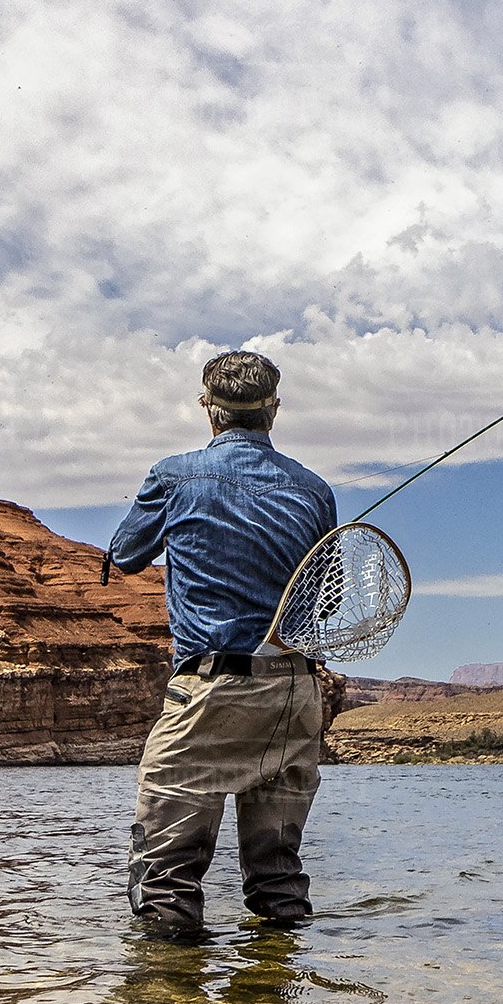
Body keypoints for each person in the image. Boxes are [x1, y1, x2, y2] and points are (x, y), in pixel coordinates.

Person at [108, 350, 338, 937]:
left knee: (166, 882)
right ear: (274, 411)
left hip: (212, 691)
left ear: (209, 409)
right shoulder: (315, 490)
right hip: (296, 695)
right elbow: (328, 600)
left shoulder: (174, 474)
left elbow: (126, 553)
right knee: (278, 878)